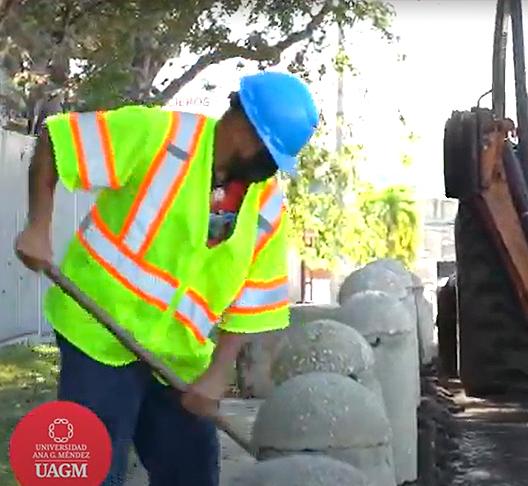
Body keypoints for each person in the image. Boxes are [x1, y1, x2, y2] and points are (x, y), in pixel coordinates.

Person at [14, 70, 319, 485]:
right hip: (98, 333)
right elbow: (59, 140)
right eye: (271, 154)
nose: (271, 170)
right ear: (246, 130)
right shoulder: (160, 135)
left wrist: (216, 375)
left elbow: (254, 302)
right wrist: (38, 226)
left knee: (192, 473)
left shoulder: (266, 205)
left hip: (177, 358)